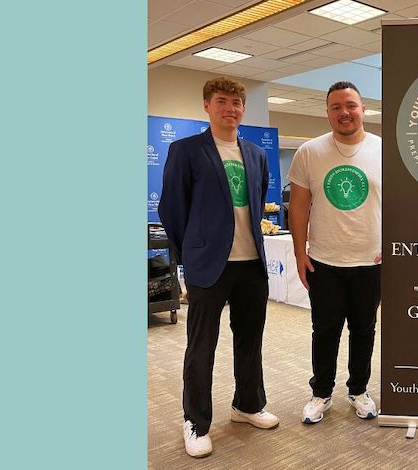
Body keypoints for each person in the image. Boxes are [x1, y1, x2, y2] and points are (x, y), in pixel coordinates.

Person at [159, 77, 279, 458]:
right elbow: (172, 209)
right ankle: (195, 421)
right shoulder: (186, 150)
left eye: (237, 102)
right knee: (201, 346)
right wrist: (190, 255)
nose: (231, 108)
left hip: (251, 265)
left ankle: (247, 404)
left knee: (250, 341)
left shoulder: (256, 154)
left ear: (244, 109)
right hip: (208, 265)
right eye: (222, 101)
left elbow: (256, 205)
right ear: (207, 106)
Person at [287, 81, 382, 424]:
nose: (344, 112)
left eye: (351, 105)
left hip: (370, 261)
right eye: (336, 107)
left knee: (364, 329)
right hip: (323, 261)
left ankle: (359, 390)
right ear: (327, 112)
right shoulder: (309, 152)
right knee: (324, 330)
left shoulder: (384, 150)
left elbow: (400, 205)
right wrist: (300, 252)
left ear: (363, 109)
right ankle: (321, 393)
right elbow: (297, 208)